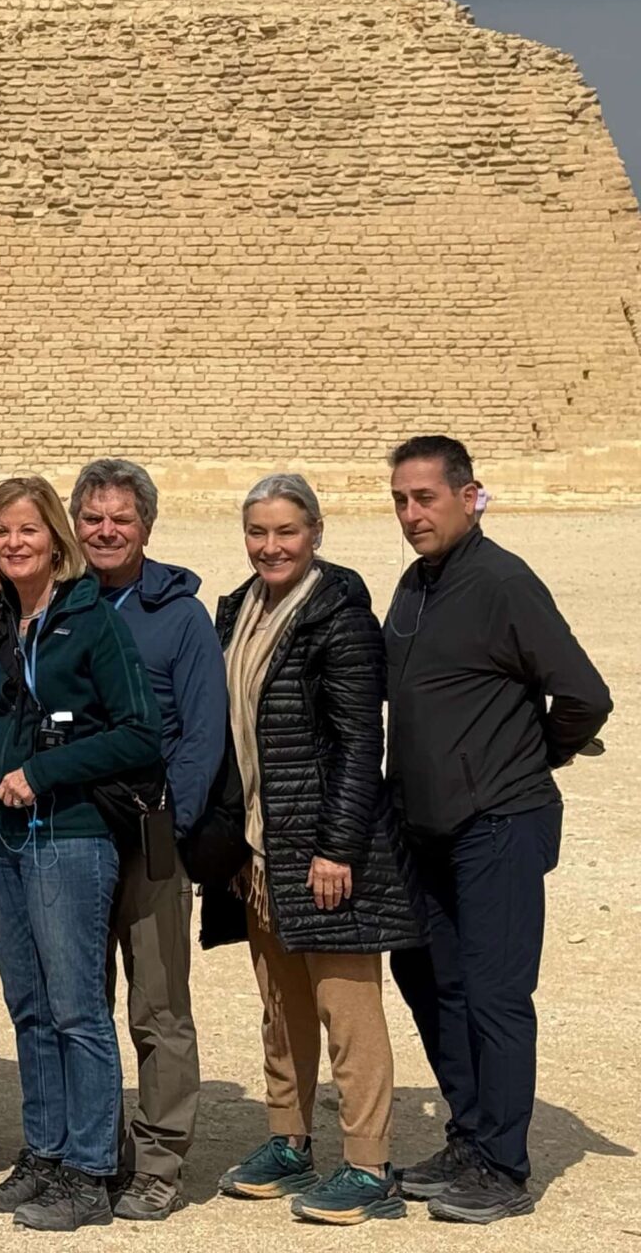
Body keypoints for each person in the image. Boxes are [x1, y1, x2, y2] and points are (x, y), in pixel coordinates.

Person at [381, 436, 612, 1223]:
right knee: (427, 980)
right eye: (402, 500)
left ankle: (504, 1169)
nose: (413, 514)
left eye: (427, 498)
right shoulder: (414, 585)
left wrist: (530, 756)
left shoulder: (505, 581)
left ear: (469, 495)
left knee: (495, 996)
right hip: (423, 830)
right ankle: (469, 1137)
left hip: (498, 823)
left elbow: (584, 695)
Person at [200, 475, 421, 1228]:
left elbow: (363, 742)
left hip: (323, 849)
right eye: (258, 532)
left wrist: (338, 848)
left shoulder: (340, 615)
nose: (271, 546)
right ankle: (288, 1142)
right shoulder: (239, 608)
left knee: (347, 1008)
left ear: (315, 531)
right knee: (280, 1006)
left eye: (286, 531)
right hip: (262, 847)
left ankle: (369, 1163)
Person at [0, 475, 162, 1232]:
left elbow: (139, 732)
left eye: (28, 530)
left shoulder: (92, 620)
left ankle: (89, 1170)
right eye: (1, 532)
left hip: (70, 834)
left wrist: (44, 771)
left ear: (58, 539)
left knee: (77, 1008)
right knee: (28, 1008)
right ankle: (45, 1151)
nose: (14, 544)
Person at [72, 456, 228, 1221]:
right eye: (94, 518)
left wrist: (172, 830)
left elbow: (202, 736)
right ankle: (95, 1151)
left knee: (158, 1008)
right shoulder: (59, 604)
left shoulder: (180, 617)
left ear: (147, 527)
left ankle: (160, 1159)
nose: (106, 531)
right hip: (70, 836)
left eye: (121, 519)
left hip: (149, 839)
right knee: (79, 1000)